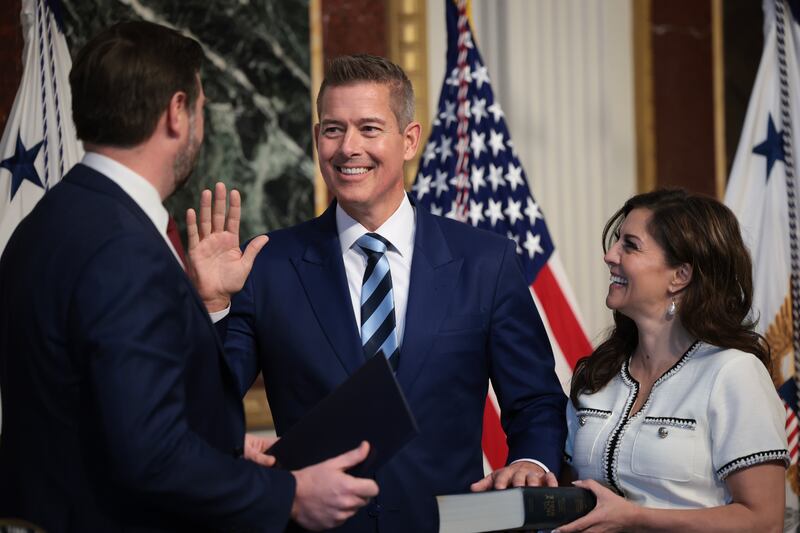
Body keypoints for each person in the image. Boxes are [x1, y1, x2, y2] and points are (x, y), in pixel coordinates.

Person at [0, 21, 377, 532]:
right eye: (201, 106)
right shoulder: (124, 250)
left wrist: (217, 444)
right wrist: (289, 494)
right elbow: (149, 454)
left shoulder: (42, 223)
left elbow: (104, 410)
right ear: (178, 112)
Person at [194, 54, 567, 532]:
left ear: (409, 140)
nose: (349, 147)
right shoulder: (266, 264)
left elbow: (535, 400)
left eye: (369, 128)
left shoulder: (485, 262)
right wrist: (211, 307)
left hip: (450, 525)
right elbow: (208, 405)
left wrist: (533, 462)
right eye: (332, 129)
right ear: (316, 139)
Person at [556, 189, 788, 533]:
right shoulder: (599, 374)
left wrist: (637, 518)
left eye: (630, 245)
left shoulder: (732, 372)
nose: (609, 255)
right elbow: (570, 493)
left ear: (680, 275)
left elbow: (763, 521)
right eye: (616, 241)